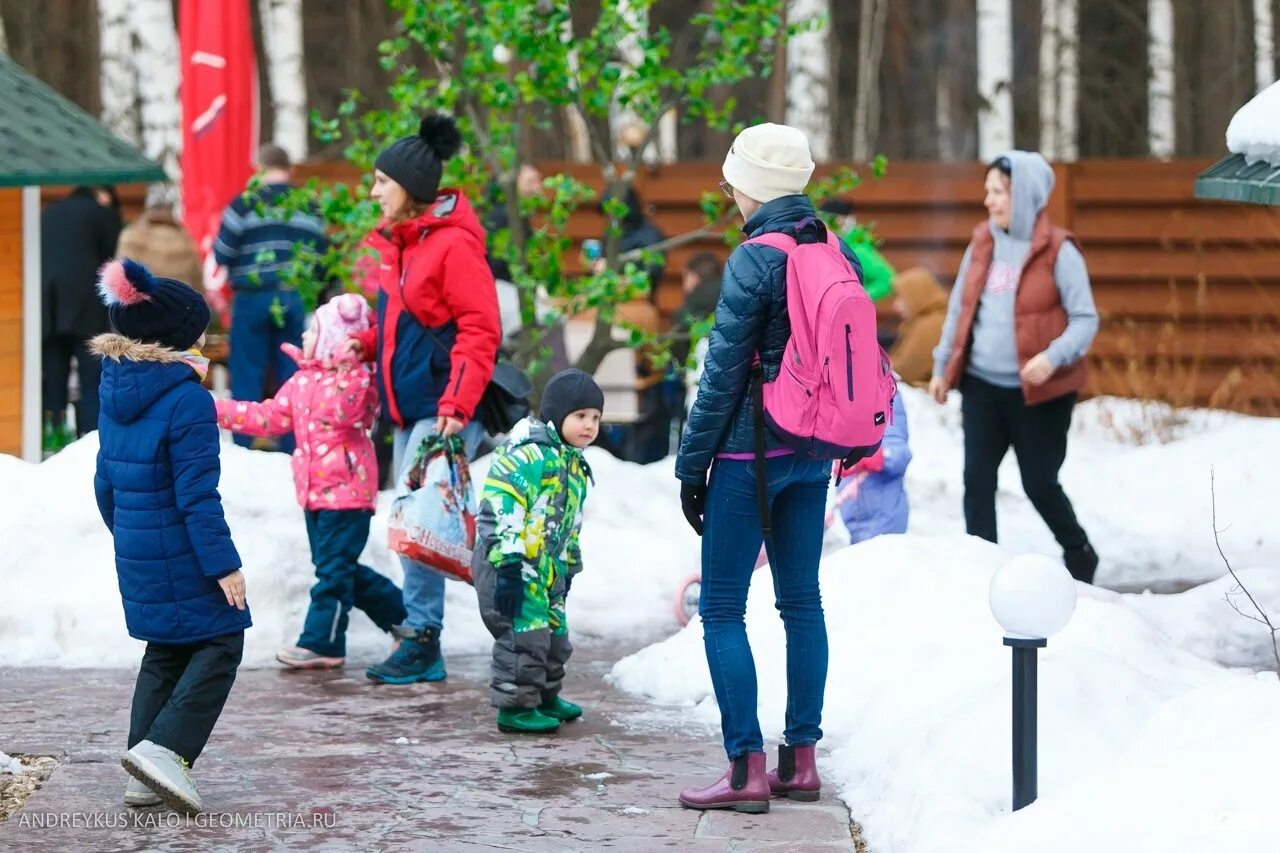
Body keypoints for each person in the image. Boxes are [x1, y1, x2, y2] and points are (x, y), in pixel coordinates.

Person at [675, 123, 862, 813]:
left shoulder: (755, 257)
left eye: (731, 184)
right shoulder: (826, 244)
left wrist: (691, 467)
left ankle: (747, 769)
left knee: (723, 608)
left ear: (749, 186)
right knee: (801, 601)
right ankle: (801, 761)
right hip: (814, 453)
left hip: (749, 453)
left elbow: (722, 374)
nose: (729, 196)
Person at [90, 258, 249, 815]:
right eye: (200, 329)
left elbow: (105, 483)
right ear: (179, 337)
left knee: (166, 651)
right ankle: (166, 752)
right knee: (223, 639)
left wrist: (132, 536)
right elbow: (197, 497)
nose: (206, 338)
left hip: (138, 548)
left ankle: (141, 769)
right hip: (185, 549)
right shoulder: (187, 399)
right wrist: (225, 566)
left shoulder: (115, 388)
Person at [348, 114, 502, 684]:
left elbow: (479, 328)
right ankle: (422, 639)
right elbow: (400, 324)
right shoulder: (405, 245)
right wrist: (357, 347)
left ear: (409, 188)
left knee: (424, 527)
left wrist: (454, 409)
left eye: (381, 182)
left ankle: (428, 640)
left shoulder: (453, 246)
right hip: (411, 409)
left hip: (441, 410)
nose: (373, 192)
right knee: (419, 528)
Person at [929, 151, 1100, 583]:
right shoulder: (983, 242)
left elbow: (1086, 320)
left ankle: (1080, 554)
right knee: (977, 480)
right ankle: (981, 568)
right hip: (982, 386)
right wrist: (942, 366)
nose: (988, 201)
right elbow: (959, 309)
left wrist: (1051, 358)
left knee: (1039, 483)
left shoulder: (1059, 251)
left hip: (1039, 394)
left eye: (998, 192)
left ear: (1024, 194)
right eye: (986, 191)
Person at [215, 293, 406, 669]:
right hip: (315, 494)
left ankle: (323, 643)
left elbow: (349, 411)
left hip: (349, 494)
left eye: (313, 332)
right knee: (339, 568)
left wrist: (350, 362)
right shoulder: (302, 381)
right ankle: (408, 623)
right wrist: (217, 410)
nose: (304, 338)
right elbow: (269, 418)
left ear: (336, 340)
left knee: (334, 572)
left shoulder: (359, 381)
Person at [472, 369, 601, 734]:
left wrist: (568, 568)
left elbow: (568, 524)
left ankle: (544, 696)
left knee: (555, 637)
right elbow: (499, 506)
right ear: (557, 415)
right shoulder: (528, 456)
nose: (589, 425)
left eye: (595, 418)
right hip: (510, 565)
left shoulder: (572, 464)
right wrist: (509, 565)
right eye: (580, 416)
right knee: (523, 635)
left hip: (548, 570)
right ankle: (514, 708)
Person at [213, 144, 330, 454]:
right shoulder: (310, 205)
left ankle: (243, 449)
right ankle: (294, 449)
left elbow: (221, 253)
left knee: (247, 373)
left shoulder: (244, 204)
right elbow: (322, 257)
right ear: (289, 169)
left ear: (259, 169)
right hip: (294, 296)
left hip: (251, 296)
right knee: (293, 374)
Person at [41, 186, 123, 443]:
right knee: (92, 376)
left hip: (49, 304)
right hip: (87, 306)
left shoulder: (47, 213)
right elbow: (113, 258)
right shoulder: (100, 213)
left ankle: (52, 431)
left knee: (54, 371)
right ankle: (91, 435)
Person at [833, 390, 910, 543]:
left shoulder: (887, 395)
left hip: (885, 519)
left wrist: (874, 457)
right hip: (853, 519)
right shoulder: (838, 390)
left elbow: (900, 455)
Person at [117, 200, 204, 296]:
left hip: (141, 305)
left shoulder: (132, 235)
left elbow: (120, 278)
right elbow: (197, 282)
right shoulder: (184, 238)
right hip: (178, 303)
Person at [819, 198, 895, 303]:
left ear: (840, 220)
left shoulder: (856, 249)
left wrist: (856, 298)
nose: (821, 224)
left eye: (825, 219)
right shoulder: (831, 245)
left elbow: (887, 279)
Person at [887, 267, 948, 386]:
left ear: (917, 296)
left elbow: (906, 371)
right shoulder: (924, 320)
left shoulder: (930, 326)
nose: (896, 306)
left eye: (902, 298)